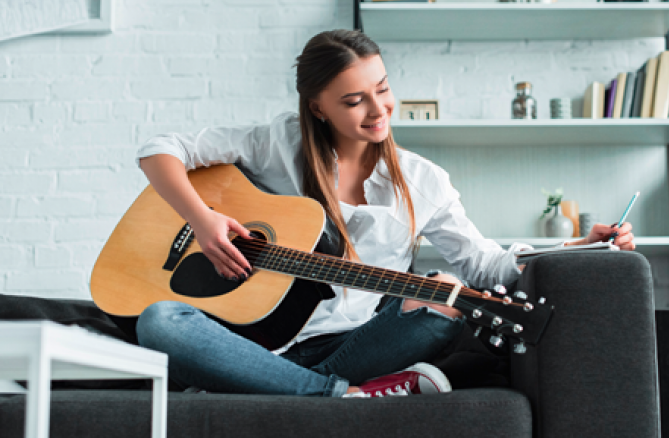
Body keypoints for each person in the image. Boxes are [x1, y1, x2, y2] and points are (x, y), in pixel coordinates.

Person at [133, 29, 636, 398]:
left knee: (442, 299)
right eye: (354, 101)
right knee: (159, 321)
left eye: (383, 89)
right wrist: (202, 218)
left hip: (359, 344)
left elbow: (487, 267)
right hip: (253, 339)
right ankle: (341, 397)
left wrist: (580, 248)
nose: (378, 111)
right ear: (317, 108)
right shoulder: (275, 145)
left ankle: (276, 388)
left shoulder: (422, 182)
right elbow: (161, 148)